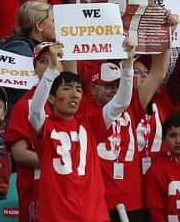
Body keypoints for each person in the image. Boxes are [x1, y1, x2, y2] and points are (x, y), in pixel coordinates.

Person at [29, 42, 136, 222]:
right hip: (57, 216)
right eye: (67, 88)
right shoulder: (45, 126)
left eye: (78, 89)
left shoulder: (90, 124)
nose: (74, 94)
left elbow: (121, 102)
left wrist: (127, 66)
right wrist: (52, 71)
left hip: (93, 215)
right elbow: (36, 110)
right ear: (52, 99)